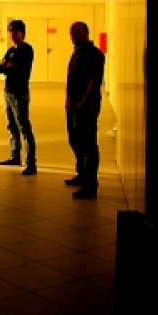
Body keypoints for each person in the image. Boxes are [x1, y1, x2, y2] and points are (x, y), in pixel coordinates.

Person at [64, 21, 105, 199]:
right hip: (73, 105)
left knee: (88, 144)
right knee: (75, 141)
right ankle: (82, 174)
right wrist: (69, 100)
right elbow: (71, 79)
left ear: (86, 33)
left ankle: (90, 185)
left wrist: (82, 103)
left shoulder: (95, 54)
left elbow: (94, 82)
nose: (73, 36)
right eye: (71, 33)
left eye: (77, 33)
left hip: (86, 106)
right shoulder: (77, 53)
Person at [0, 19, 37, 175]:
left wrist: (7, 67)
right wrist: (8, 66)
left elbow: (21, 71)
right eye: (10, 31)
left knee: (24, 127)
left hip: (20, 93)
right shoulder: (11, 50)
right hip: (8, 92)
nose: (12, 34)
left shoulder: (26, 50)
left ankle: (31, 163)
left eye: (15, 31)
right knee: (11, 125)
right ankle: (15, 156)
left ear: (22, 33)